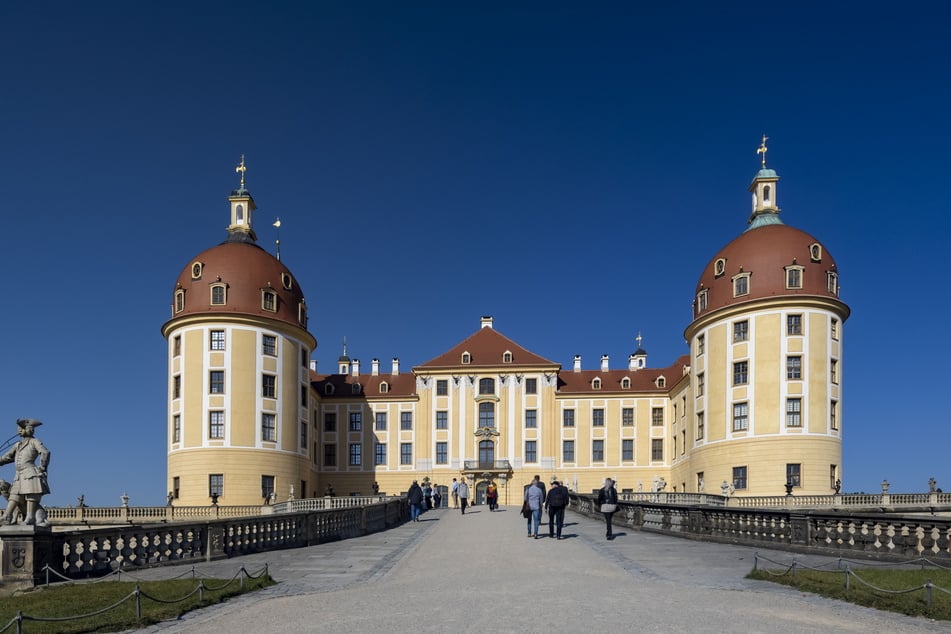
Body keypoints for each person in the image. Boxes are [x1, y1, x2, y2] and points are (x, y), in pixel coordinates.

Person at [0, 418, 51, 526]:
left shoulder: (34, 441)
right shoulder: (18, 444)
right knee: (14, 495)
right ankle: (6, 516)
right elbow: (7, 457)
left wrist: (42, 466)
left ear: (29, 429)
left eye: (21, 428)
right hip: (19, 475)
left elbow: (45, 452)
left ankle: (30, 517)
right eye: (18, 429)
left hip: (30, 473)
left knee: (30, 495)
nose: (19, 430)